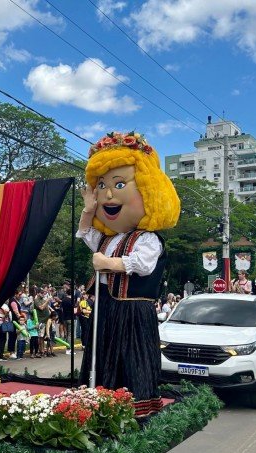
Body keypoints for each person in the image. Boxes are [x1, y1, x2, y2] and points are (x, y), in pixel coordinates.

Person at [77, 130, 180, 417]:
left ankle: (136, 409)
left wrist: (107, 264)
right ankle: (99, 404)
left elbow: (142, 265)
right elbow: (86, 233)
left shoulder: (148, 238)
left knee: (131, 359)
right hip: (107, 308)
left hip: (134, 312)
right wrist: (88, 209)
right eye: (102, 185)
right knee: (102, 356)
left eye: (119, 184)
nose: (109, 194)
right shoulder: (108, 239)